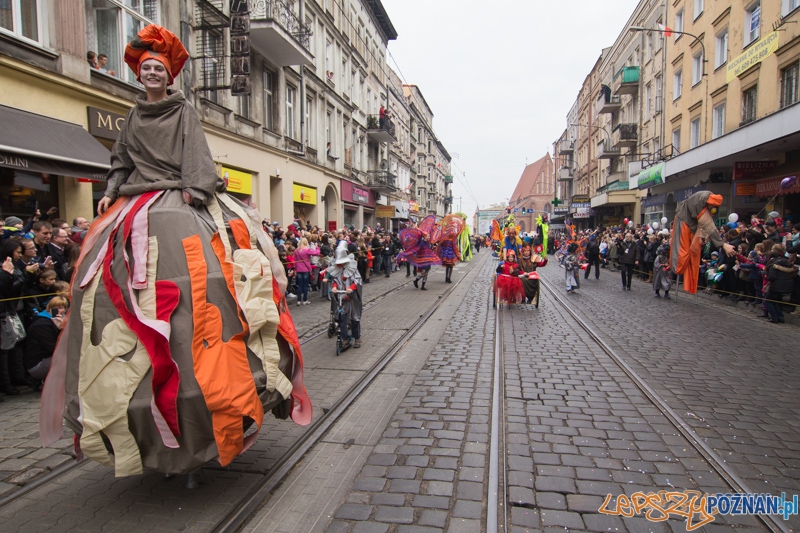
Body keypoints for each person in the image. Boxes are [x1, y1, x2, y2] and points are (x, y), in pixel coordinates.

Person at [40, 25, 311, 477]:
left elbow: (197, 157)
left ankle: (216, 396)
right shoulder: (129, 117)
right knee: (107, 281)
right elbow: (121, 161)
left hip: (178, 200)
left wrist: (195, 188)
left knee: (208, 281)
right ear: (139, 74)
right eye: (144, 68)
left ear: (168, 76)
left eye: (157, 69)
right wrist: (110, 191)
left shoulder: (183, 111)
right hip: (135, 203)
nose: (150, 74)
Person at [23, 296, 68, 384]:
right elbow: (54, 348)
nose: (58, 311)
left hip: (49, 357)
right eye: (55, 308)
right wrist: (61, 330)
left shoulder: (62, 320)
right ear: (49, 308)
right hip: (38, 363)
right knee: (70, 360)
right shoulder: (42, 325)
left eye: (61, 308)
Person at [326, 242, 363, 349]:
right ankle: (345, 337)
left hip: (352, 297)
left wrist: (351, 288)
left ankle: (357, 337)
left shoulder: (352, 267)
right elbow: (335, 280)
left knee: (354, 317)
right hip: (342, 297)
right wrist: (334, 287)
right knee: (342, 318)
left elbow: (357, 280)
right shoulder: (337, 269)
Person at [764, 244, 796, 323]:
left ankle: (774, 317)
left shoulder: (774, 263)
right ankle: (780, 317)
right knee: (776, 301)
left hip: (776, 285)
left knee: (769, 300)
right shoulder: (786, 261)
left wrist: (766, 276)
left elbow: (772, 277)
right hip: (785, 285)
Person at [293, 237, 319, 305]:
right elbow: (316, 253)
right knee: (305, 285)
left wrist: (295, 269)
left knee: (300, 285)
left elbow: (295, 260)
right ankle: (305, 300)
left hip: (298, 269)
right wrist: (317, 247)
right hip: (306, 269)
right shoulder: (307, 249)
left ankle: (298, 300)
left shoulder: (296, 250)